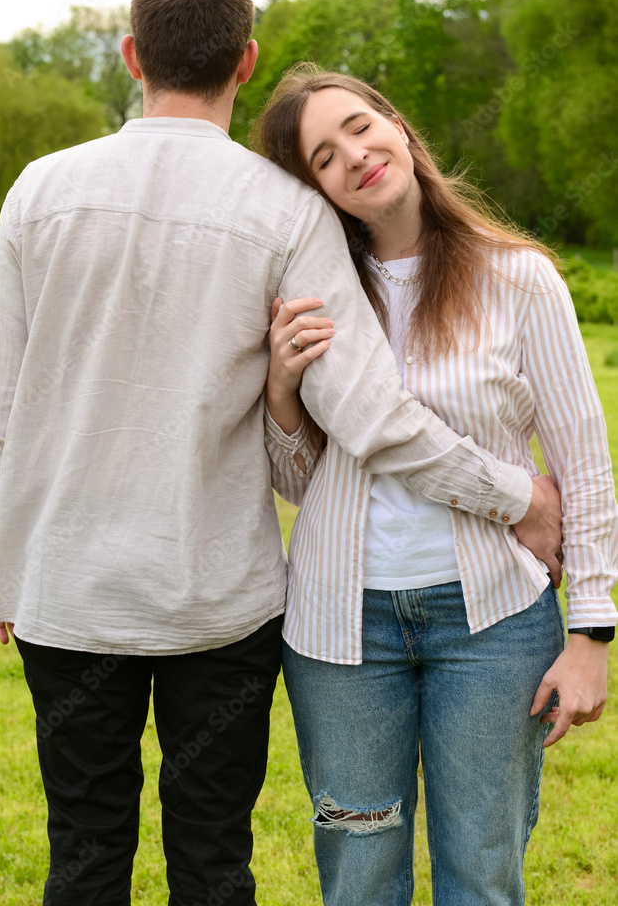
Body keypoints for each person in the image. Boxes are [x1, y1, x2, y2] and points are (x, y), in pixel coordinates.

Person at [0, 0, 561, 906]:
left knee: (83, 851)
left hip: (67, 595)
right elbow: (366, 410)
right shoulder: (284, 209)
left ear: (131, 56)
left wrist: (14, 559)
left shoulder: (39, 191)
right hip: (219, 607)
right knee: (211, 856)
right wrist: (516, 493)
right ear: (245, 64)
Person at [253, 66, 618, 906]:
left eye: (358, 125)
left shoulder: (518, 278)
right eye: (321, 157)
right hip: (341, 637)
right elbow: (297, 483)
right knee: (357, 872)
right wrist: (279, 390)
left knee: (481, 876)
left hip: (490, 626)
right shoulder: (312, 304)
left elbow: (584, 465)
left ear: (397, 124)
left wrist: (592, 633)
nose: (353, 155)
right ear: (315, 192)